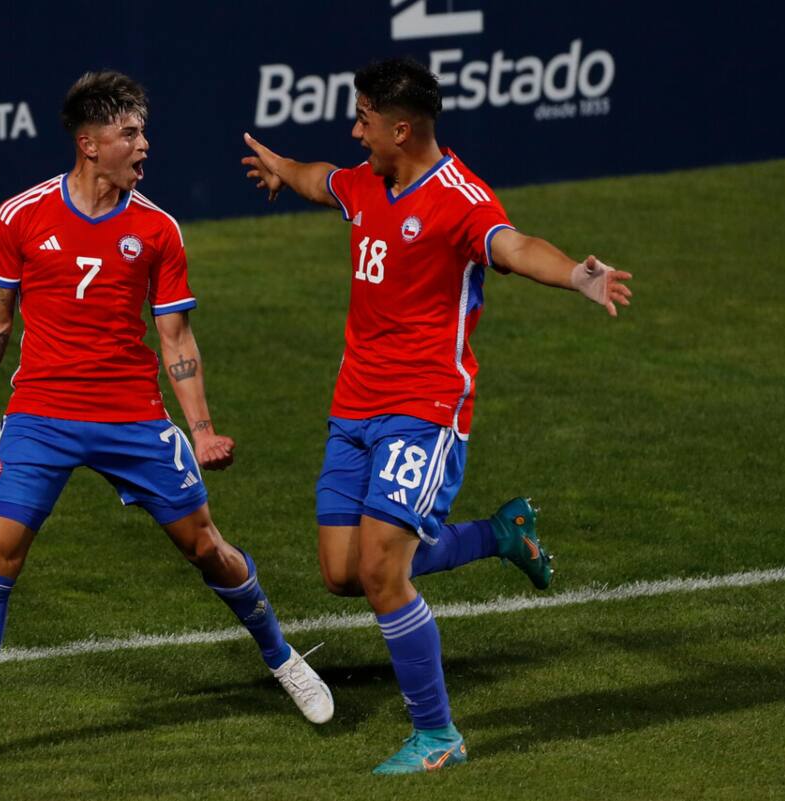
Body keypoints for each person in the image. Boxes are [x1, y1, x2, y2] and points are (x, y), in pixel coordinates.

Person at [0, 70, 333, 769]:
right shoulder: (18, 217)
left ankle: (282, 657)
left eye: (143, 131)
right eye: (129, 133)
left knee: (205, 547)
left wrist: (202, 432)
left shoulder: (157, 229)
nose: (143, 144)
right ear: (89, 143)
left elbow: (176, 338)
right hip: (40, 413)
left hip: (132, 417)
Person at [241, 57, 632, 775]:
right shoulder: (368, 183)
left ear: (401, 128)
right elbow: (321, 179)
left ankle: (438, 735)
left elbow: (514, 246)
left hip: (424, 410)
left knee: (383, 570)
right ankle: (500, 534)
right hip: (353, 407)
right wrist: (282, 169)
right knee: (343, 571)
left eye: (363, 119)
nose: (354, 131)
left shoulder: (458, 197)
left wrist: (577, 275)